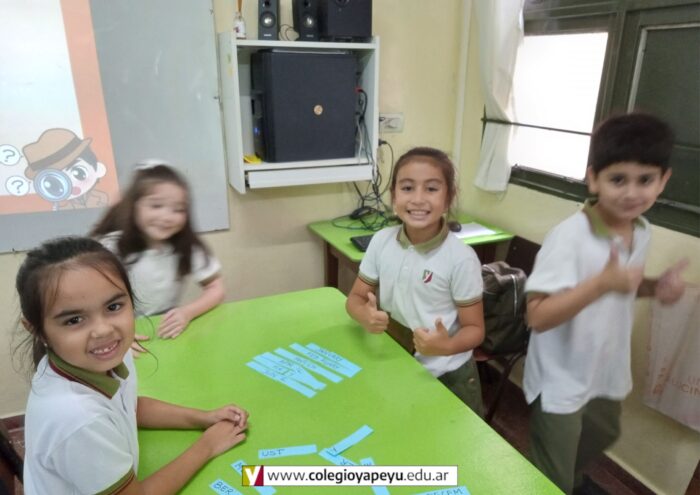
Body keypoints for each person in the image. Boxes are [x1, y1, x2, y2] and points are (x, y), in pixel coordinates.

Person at [523, 113, 687, 494]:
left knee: (604, 432)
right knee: (551, 474)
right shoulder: (569, 237)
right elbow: (537, 316)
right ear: (593, 178)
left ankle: (569, 479)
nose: (631, 193)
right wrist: (599, 284)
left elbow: (622, 286)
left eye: (645, 180)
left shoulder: (641, 230)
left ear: (663, 181)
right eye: (618, 180)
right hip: (560, 379)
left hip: (604, 369)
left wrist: (655, 288)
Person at [17, 236, 248, 494]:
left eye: (113, 306)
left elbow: (128, 407)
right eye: (74, 320)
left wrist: (203, 417)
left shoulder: (102, 356)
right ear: (37, 330)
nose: (104, 330)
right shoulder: (77, 419)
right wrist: (207, 446)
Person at [345, 147, 485, 416]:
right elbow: (355, 299)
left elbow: (475, 329)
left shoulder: (461, 258)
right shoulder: (381, 241)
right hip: (396, 362)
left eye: (431, 189)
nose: (418, 199)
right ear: (393, 196)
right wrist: (365, 316)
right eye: (407, 188)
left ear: (448, 198)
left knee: (447, 439)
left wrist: (446, 346)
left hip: (447, 374)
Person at [91, 164, 225, 350]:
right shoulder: (112, 247)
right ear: (134, 206)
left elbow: (216, 288)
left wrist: (187, 313)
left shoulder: (188, 247)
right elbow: (91, 300)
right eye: (156, 205)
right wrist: (115, 332)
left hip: (164, 334)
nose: (167, 216)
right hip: (118, 336)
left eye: (178, 209)